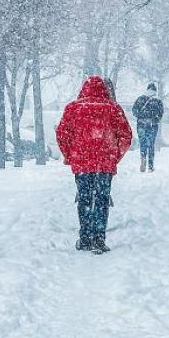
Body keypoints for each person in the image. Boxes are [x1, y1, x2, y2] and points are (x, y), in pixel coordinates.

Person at [56, 76, 132, 253]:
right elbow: (125, 135)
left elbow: (62, 134)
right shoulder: (113, 109)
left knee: (84, 199)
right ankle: (99, 238)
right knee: (102, 200)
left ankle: (84, 238)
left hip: (82, 163)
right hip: (104, 164)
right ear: (104, 89)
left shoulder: (73, 108)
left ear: (84, 89)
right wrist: (114, 156)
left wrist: (70, 156)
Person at [132, 83, 164, 172]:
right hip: (152, 126)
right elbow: (161, 113)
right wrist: (154, 119)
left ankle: (143, 158)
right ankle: (150, 165)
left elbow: (134, 111)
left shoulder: (140, 99)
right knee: (151, 144)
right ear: (155, 90)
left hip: (141, 125)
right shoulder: (157, 100)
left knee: (143, 143)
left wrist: (141, 116)